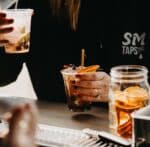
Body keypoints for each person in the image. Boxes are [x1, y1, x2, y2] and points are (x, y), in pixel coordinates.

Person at [0, 0, 149, 103]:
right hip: (57, 125)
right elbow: (5, 74)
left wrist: (122, 91)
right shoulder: (38, 5)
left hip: (126, 125)